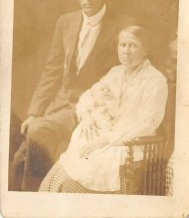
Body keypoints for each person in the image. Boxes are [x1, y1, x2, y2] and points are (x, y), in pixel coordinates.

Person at [11, 0, 136, 191]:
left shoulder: (124, 26)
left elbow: (129, 78)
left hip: (99, 113)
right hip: (65, 107)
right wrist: (34, 111)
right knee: (33, 134)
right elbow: (52, 70)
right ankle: (33, 203)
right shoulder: (65, 22)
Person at [39, 26, 168, 193]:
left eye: (133, 45)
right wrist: (86, 116)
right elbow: (89, 95)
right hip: (102, 138)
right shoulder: (116, 72)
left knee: (78, 174)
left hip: (128, 144)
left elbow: (147, 124)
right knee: (62, 171)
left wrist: (107, 139)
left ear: (145, 49)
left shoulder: (155, 81)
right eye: (122, 45)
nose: (126, 51)